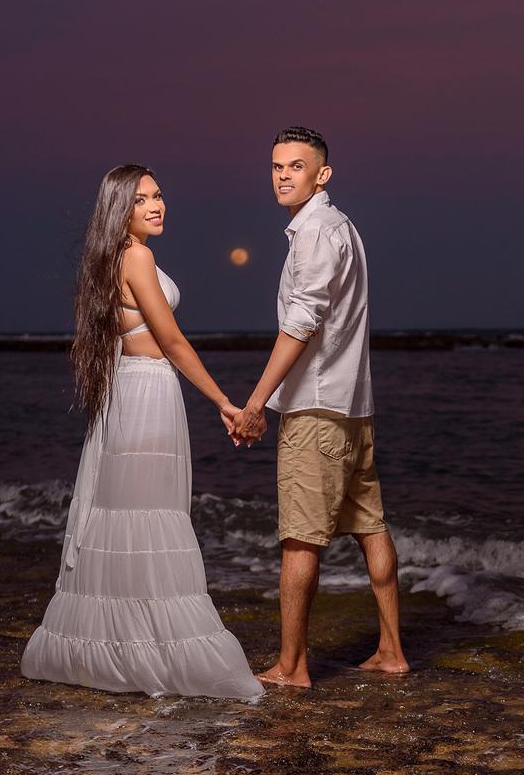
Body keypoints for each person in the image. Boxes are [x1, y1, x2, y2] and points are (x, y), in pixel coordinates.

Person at [21, 164, 264, 700]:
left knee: (126, 521)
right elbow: (173, 342)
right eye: (142, 200)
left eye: (158, 196)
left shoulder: (106, 261)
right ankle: (154, 653)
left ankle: (106, 651)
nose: (156, 206)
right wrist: (226, 403)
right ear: (119, 209)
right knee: (152, 520)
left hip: (126, 396)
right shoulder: (136, 256)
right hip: (149, 394)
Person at [232, 127, 409, 687]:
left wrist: (256, 403)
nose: (283, 175)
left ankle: (291, 667)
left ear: (321, 175)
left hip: (316, 408)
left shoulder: (314, 233)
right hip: (354, 408)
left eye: (296, 166)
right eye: (277, 165)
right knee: (370, 527)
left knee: (299, 537)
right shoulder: (345, 229)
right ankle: (391, 651)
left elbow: (302, 321)